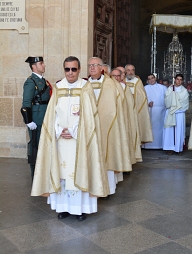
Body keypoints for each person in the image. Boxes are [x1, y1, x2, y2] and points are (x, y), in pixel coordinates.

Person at [31, 56, 109, 221]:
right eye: (67, 69)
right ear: (64, 70)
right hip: (60, 140)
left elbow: (89, 117)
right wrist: (59, 130)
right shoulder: (58, 87)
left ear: (79, 70)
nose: (70, 72)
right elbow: (52, 115)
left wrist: (74, 131)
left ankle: (80, 209)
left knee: (78, 170)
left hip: (79, 140)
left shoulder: (85, 87)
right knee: (62, 173)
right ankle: (64, 207)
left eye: (74, 69)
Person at [88, 57, 132, 195]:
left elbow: (119, 107)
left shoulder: (112, 84)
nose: (92, 68)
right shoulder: (84, 85)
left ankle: (108, 188)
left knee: (108, 154)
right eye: (90, 65)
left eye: (95, 65)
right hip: (88, 127)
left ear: (102, 68)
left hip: (108, 126)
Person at [21, 56, 51, 179]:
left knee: (45, 147)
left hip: (45, 116)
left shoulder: (44, 81)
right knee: (36, 147)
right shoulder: (31, 81)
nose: (44, 65)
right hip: (36, 119)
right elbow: (26, 103)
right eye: (41, 63)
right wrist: (29, 121)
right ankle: (36, 177)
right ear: (34, 66)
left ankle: (44, 175)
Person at [125, 64, 153, 143]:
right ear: (125, 71)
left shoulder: (138, 81)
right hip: (124, 108)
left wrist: (134, 96)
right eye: (128, 70)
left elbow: (142, 95)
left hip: (135, 108)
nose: (130, 72)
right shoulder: (122, 80)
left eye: (132, 70)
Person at [162, 74, 189, 155]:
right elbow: (166, 100)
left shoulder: (184, 91)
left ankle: (178, 148)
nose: (179, 81)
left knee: (179, 131)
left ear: (183, 81)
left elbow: (184, 103)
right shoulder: (170, 89)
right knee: (170, 131)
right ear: (175, 80)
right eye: (177, 79)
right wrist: (172, 96)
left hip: (179, 113)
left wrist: (176, 103)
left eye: (181, 79)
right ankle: (170, 148)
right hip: (170, 112)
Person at [143, 74, 167, 149]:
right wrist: (147, 104)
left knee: (159, 128)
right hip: (149, 111)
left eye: (152, 78)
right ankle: (148, 145)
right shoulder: (144, 88)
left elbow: (167, 98)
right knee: (150, 127)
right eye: (149, 79)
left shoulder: (163, 87)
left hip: (160, 111)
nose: (151, 80)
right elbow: (141, 99)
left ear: (155, 78)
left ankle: (159, 145)